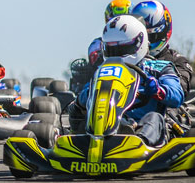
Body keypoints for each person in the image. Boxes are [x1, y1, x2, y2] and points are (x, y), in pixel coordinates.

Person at [76, 15, 184, 147]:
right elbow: (81, 99)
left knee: (154, 118)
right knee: (82, 117)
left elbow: (177, 95)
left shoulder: (159, 68)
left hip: (145, 128)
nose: (117, 54)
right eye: (111, 49)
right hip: (112, 122)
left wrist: (158, 91)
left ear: (139, 43)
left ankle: (137, 142)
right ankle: (91, 138)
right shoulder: (103, 71)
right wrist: (91, 93)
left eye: (122, 48)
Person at [130, 0, 195, 97]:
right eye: (139, 37)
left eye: (149, 35)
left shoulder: (177, 60)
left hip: (161, 105)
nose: (145, 41)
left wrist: (159, 89)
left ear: (163, 32)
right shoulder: (127, 58)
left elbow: (181, 88)